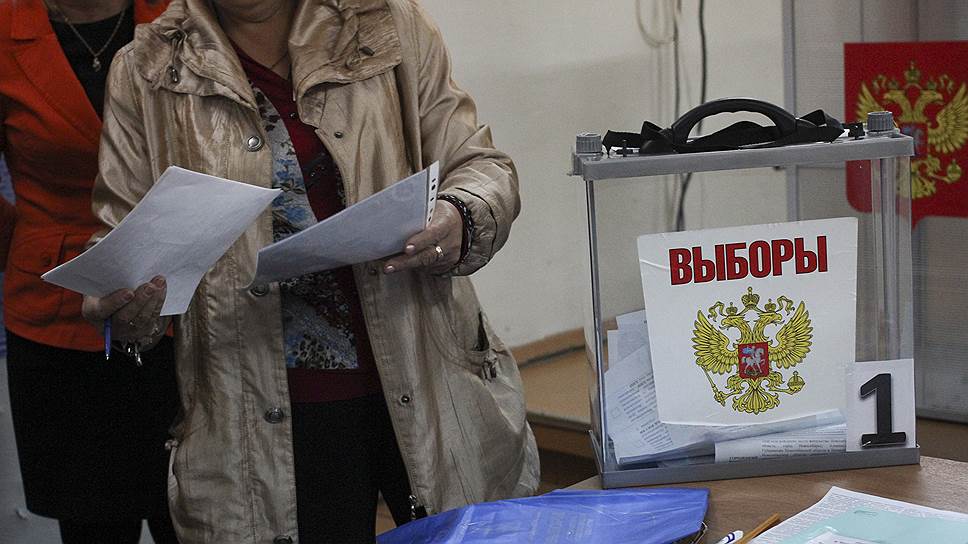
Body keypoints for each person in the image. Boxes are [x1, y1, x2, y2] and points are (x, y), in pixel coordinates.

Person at [81, 0, 540, 542]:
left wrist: (460, 212)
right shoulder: (148, 66)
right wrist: (122, 302)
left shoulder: (385, 22)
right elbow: (122, 239)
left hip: (428, 377)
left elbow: (481, 166)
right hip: (253, 412)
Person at [0, 1, 180, 543]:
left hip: (187, 306)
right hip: (60, 323)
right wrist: (31, 247)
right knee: (93, 527)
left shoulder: (185, 15)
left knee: (200, 519)